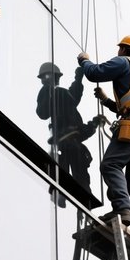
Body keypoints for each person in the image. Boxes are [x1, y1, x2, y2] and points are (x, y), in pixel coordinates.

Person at [77, 36, 130, 242]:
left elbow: (94, 73)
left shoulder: (123, 62)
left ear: (123, 49)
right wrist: (106, 101)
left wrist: (84, 60)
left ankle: (122, 210)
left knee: (111, 165)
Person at [35, 62, 104, 193]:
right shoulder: (55, 94)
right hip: (65, 146)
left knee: (80, 181)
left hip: (71, 145)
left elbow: (73, 98)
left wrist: (94, 124)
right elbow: (42, 112)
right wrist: (47, 90)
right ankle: (63, 195)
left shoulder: (64, 101)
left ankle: (80, 206)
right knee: (68, 180)